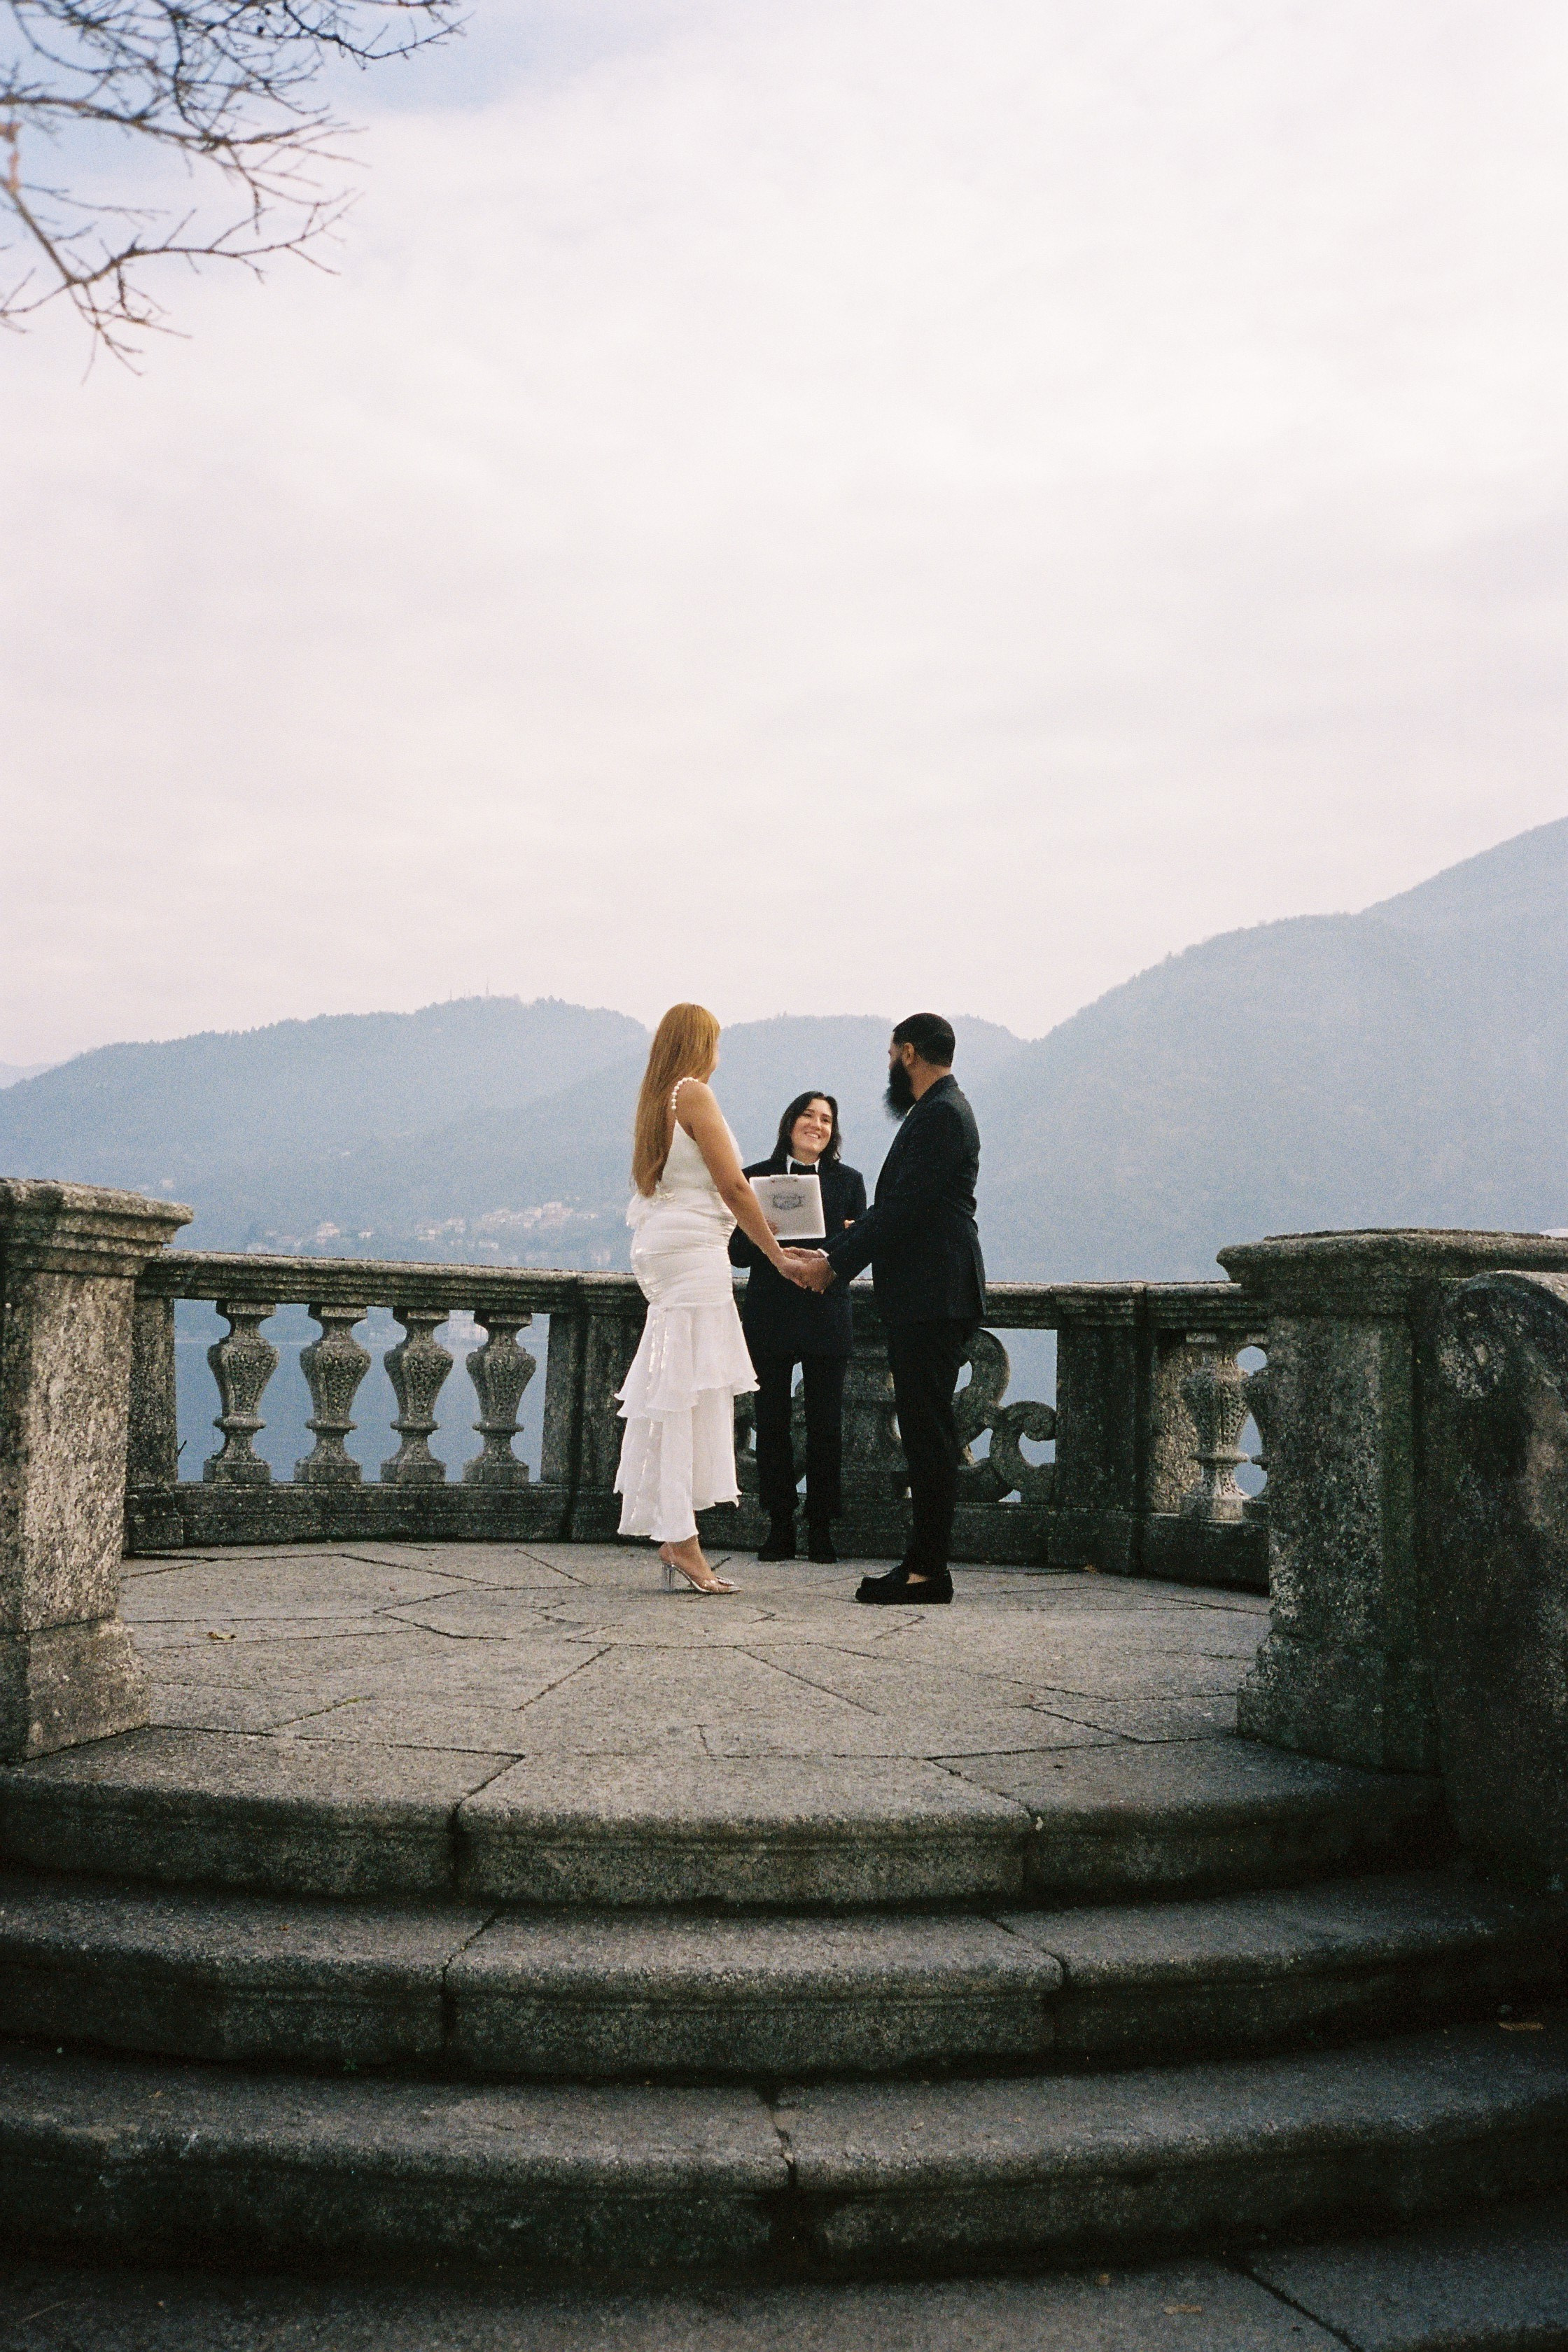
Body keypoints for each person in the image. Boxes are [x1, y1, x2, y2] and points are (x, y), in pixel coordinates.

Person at [786, 1012, 983, 1605]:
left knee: (928, 1433)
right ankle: (925, 1565)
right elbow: (899, 1210)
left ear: (909, 1053)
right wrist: (837, 1247)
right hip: (931, 1291)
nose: (889, 1065)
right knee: (926, 1429)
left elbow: (903, 1211)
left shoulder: (942, 1114)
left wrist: (830, 1264)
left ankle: (927, 1572)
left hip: (935, 1294)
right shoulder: (942, 1110)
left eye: (891, 1054)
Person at [614, 1003, 804, 1594]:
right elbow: (733, 1184)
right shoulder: (693, 1092)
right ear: (702, 1045)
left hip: (667, 1247)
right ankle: (683, 1541)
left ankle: (677, 1532)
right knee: (688, 1392)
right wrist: (777, 1255)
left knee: (677, 1387)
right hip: (693, 1253)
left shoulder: (657, 1100)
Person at [728, 1092, 867, 1563]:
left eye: (826, 1119)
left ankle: (822, 1526)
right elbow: (736, 1256)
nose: (817, 1124)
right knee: (771, 1423)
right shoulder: (753, 1178)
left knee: (827, 1425)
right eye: (808, 1115)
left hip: (827, 1312)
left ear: (834, 1131)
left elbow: (858, 1256)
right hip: (770, 1314)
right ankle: (779, 1524)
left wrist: (848, 1237)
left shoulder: (850, 1181)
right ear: (790, 1122)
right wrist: (756, 1231)